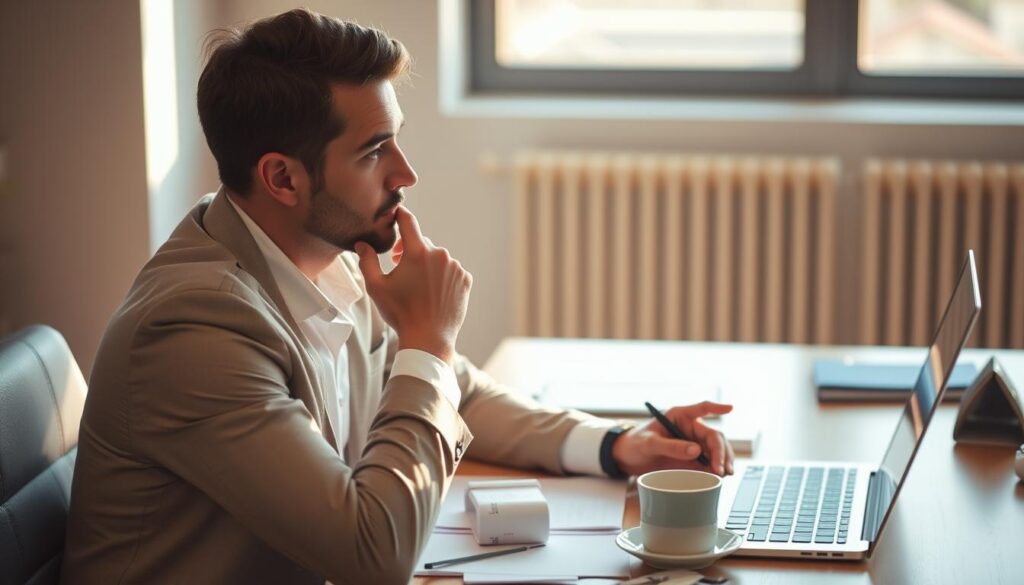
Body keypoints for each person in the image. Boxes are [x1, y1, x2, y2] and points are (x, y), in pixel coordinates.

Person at [61, 8, 734, 585]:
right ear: (282, 178)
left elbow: (448, 391)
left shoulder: (317, 255)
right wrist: (429, 342)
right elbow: (371, 553)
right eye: (375, 149)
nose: (406, 173)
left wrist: (615, 445)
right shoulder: (194, 329)